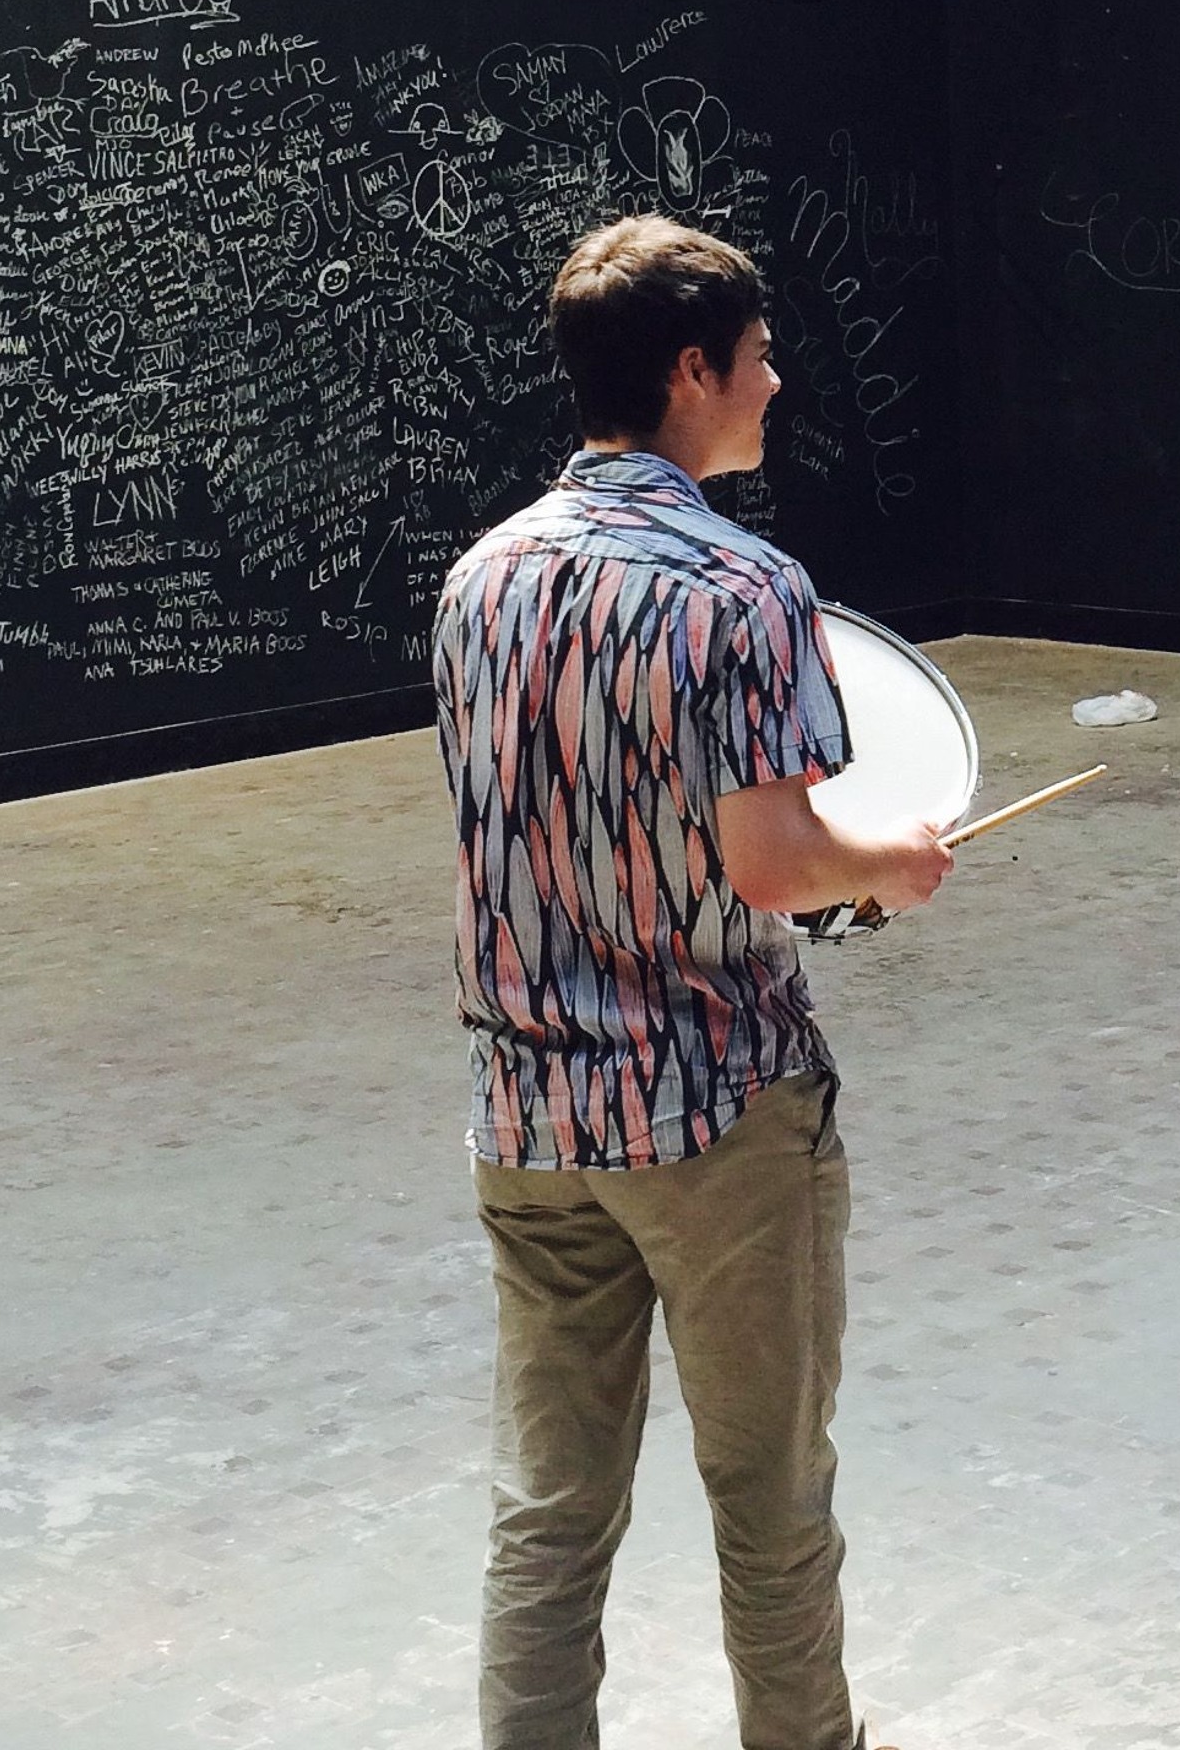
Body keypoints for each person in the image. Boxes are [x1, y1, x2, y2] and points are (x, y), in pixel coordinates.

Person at [431, 214, 953, 1750]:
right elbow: (776, 863)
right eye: (760, 357)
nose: (776, 383)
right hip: (714, 1109)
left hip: (527, 1115)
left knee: (547, 1512)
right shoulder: (743, 588)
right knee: (770, 1500)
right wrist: (891, 861)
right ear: (690, 371)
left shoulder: (480, 579)